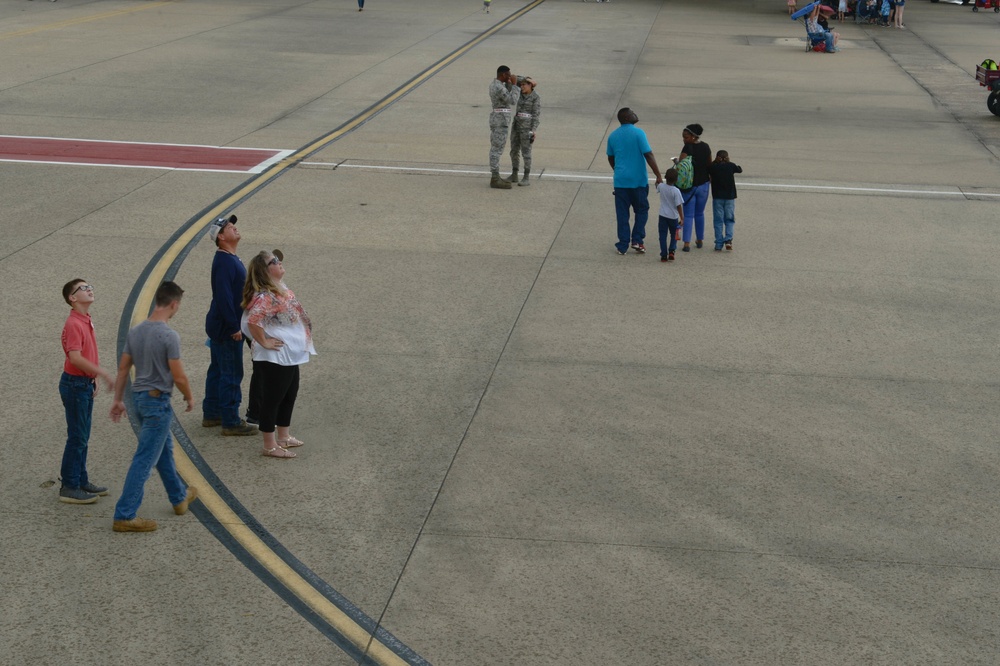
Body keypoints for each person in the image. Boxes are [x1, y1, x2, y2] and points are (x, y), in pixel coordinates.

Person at [109, 281, 197, 533]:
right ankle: (124, 514)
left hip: (137, 399)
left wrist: (118, 399)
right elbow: (178, 376)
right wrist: (189, 397)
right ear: (174, 304)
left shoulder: (136, 331)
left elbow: (124, 367)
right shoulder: (169, 335)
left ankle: (179, 498)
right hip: (157, 403)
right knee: (145, 459)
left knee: (164, 451)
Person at [242, 251, 316, 459]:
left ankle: (283, 436)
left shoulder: (279, 290)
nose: (279, 262)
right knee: (273, 399)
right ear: (265, 271)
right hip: (275, 357)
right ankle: (269, 444)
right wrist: (264, 341)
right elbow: (253, 321)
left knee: (289, 393)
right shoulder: (266, 296)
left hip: (289, 354)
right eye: (273, 262)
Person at [58, 280, 115, 504]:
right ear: (72, 298)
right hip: (74, 385)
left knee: (83, 436)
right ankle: (69, 486)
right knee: (77, 437)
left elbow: (88, 353)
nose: (89, 288)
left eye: (90, 285)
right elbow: (75, 357)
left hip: (83, 383)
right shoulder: (74, 323)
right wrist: (102, 373)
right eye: (83, 288)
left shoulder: (85, 319)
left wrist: (93, 378)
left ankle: (81, 479)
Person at [203, 214, 255, 436]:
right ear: (221, 237)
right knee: (231, 372)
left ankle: (213, 413)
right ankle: (231, 420)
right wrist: (235, 327)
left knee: (218, 369)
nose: (233, 227)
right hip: (228, 328)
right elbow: (224, 297)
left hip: (220, 324)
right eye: (228, 227)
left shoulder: (228, 258)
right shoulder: (225, 262)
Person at [606, 107, 663, 255]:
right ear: (626, 118)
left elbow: (610, 157)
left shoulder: (613, 136)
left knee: (622, 214)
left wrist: (617, 171)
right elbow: (648, 154)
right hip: (638, 181)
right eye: (632, 113)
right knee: (642, 210)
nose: (635, 114)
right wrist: (658, 175)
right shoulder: (639, 133)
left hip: (620, 182)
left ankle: (622, 245)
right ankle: (637, 240)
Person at [674, 123, 712, 251]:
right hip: (704, 185)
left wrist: (675, 162)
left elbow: (680, 167)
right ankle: (700, 239)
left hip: (689, 187)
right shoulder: (706, 147)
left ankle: (686, 243)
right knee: (700, 213)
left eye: (686, 137)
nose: (684, 139)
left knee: (688, 215)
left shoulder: (687, 148)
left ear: (694, 136)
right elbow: (709, 165)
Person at [488, 66, 522, 190]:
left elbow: (506, 96)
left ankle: (496, 176)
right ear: (502, 75)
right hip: (500, 120)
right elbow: (512, 100)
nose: (509, 76)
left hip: (499, 119)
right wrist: (515, 85)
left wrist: (509, 84)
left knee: (497, 148)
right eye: (508, 75)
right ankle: (495, 178)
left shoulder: (497, 85)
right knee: (497, 149)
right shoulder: (497, 87)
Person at [506, 77, 540, 186]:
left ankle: (526, 177)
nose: (522, 87)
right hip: (516, 125)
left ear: (530, 85)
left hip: (527, 128)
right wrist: (528, 79)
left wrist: (533, 130)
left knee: (526, 152)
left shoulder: (535, 97)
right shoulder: (519, 94)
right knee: (514, 150)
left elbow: (536, 115)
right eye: (521, 85)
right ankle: (514, 173)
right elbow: (514, 77)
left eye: (524, 85)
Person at [707, 150, 743, 252]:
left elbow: (708, 168)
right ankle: (728, 240)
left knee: (718, 221)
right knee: (729, 219)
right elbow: (740, 169)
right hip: (730, 197)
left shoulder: (713, 167)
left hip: (717, 197)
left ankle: (718, 243)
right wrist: (729, 161)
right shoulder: (731, 166)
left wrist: (715, 161)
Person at [654, 169, 685, 263]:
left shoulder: (662, 187)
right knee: (674, 234)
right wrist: (682, 218)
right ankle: (671, 250)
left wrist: (657, 181)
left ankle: (663, 254)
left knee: (662, 235)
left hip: (663, 215)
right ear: (676, 180)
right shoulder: (676, 191)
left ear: (665, 177)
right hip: (673, 216)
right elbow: (678, 205)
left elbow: (657, 186)